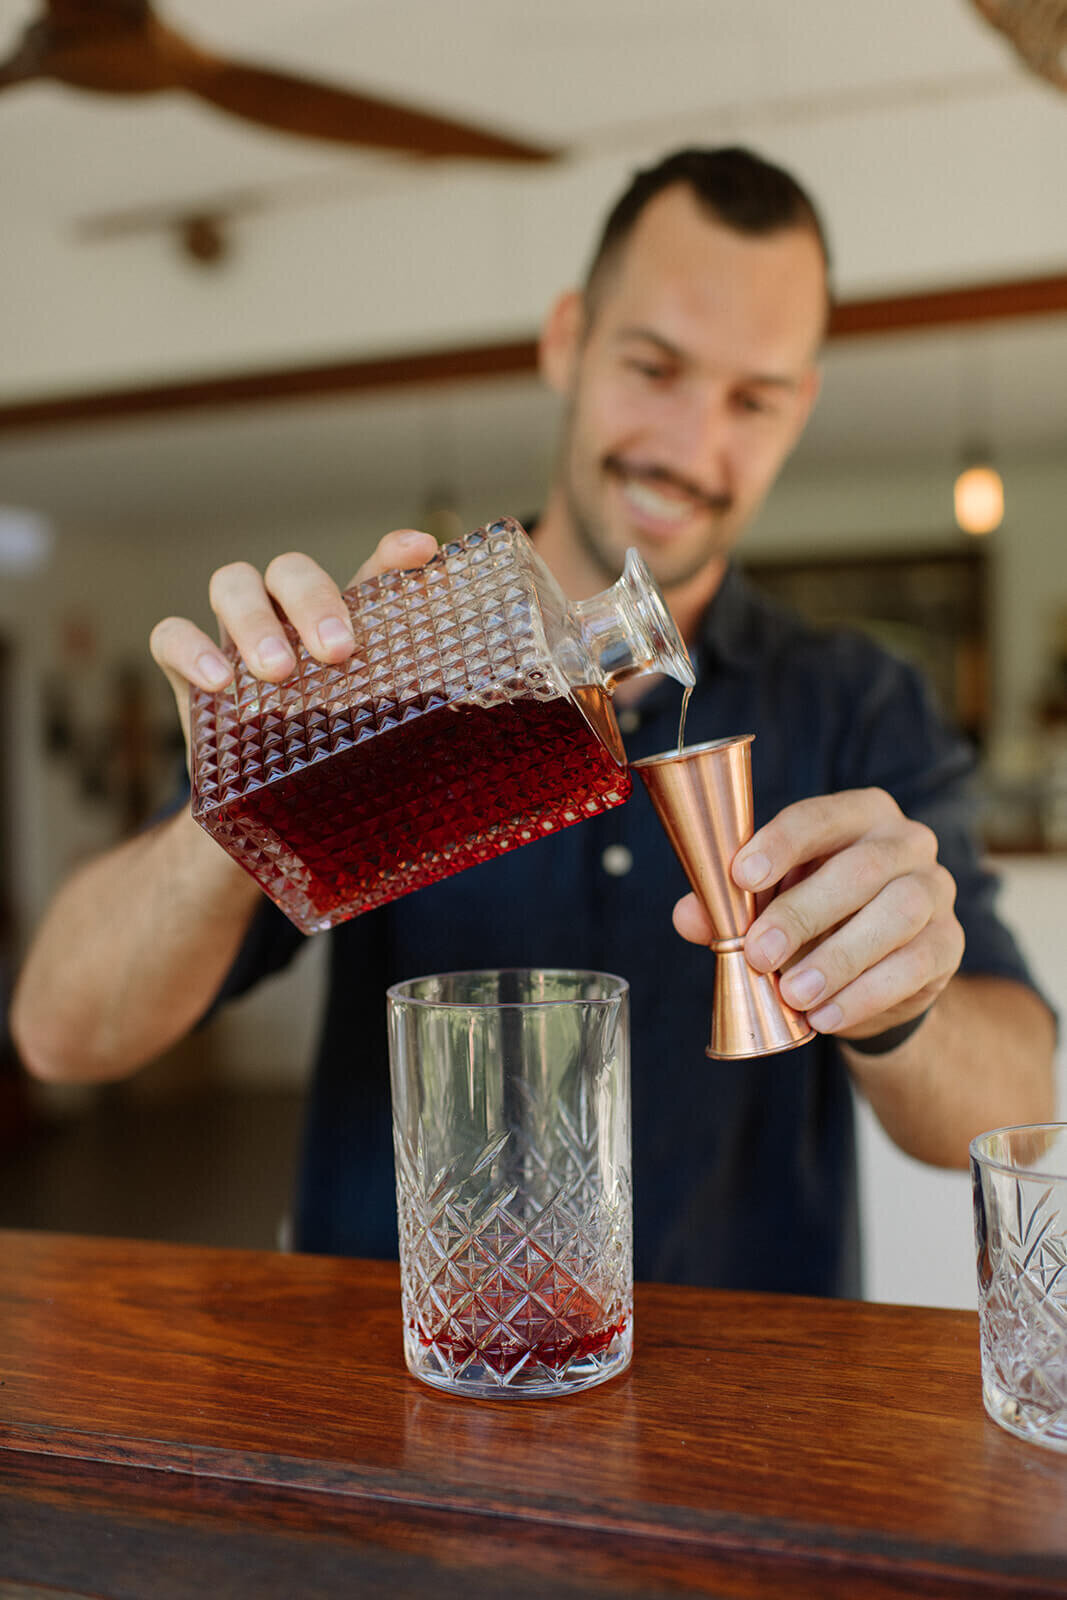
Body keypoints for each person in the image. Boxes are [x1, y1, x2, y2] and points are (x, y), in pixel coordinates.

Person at [10, 148, 1055, 1296]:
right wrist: (249, 778)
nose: (690, 444)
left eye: (749, 398)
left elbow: (1016, 1103)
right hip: (396, 1402)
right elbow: (60, 1033)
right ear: (566, 338)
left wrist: (901, 999)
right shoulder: (379, 662)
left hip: (741, 1417)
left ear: (797, 405)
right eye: (653, 365)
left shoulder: (861, 700)